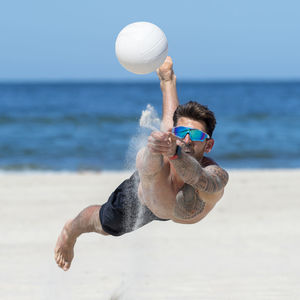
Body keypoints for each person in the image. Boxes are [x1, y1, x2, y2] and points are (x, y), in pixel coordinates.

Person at [54, 56, 229, 271]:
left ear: (208, 145)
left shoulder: (214, 174)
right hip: (148, 196)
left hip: (169, 197)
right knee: (102, 224)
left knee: (168, 144)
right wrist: (163, 150)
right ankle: (70, 231)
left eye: (196, 135)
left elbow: (201, 178)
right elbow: (170, 129)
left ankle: (167, 81)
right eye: (182, 132)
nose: (187, 139)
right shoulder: (166, 151)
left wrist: (175, 153)